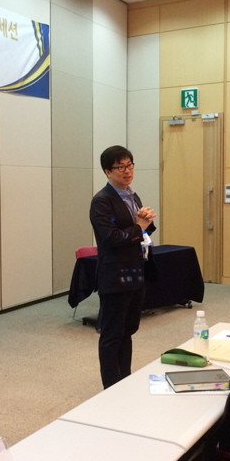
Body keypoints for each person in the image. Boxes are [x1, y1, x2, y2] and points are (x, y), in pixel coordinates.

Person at [89, 145, 156, 389]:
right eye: (120, 167)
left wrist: (145, 222)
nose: (127, 171)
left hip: (135, 272)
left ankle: (124, 381)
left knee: (127, 331)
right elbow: (112, 238)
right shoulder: (102, 201)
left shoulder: (132, 195)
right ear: (108, 171)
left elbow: (139, 232)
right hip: (115, 276)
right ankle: (110, 388)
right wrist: (139, 226)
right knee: (112, 335)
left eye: (129, 165)